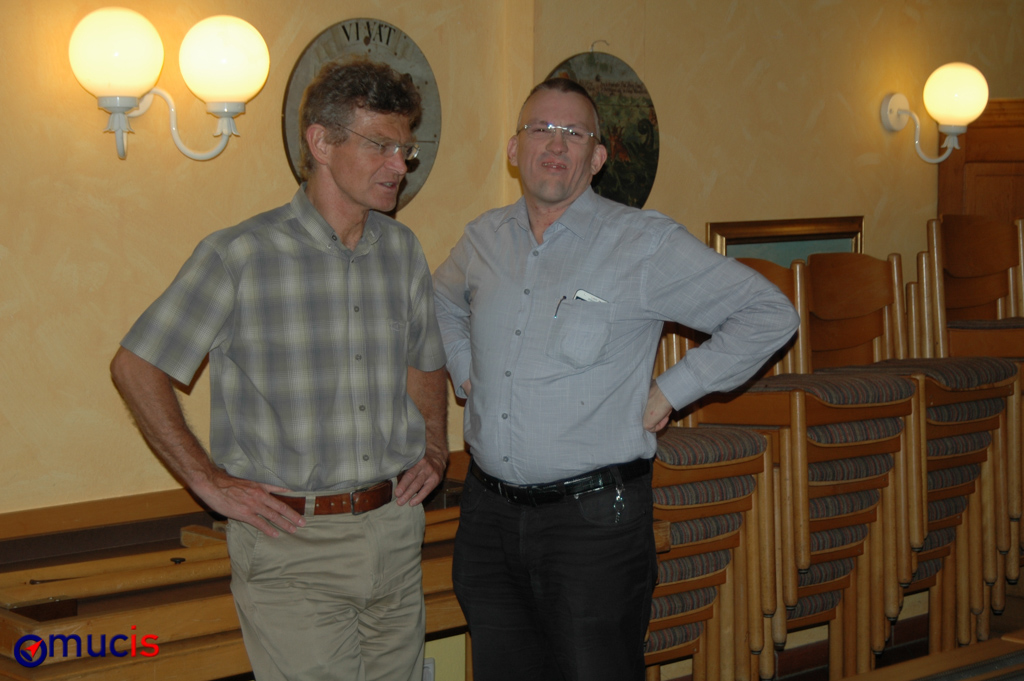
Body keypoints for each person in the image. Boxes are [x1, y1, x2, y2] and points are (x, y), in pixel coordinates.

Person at [432, 78, 800, 680]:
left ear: (597, 157)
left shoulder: (643, 243)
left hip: (593, 524)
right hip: (487, 518)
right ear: (515, 149)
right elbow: (441, 301)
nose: (556, 144)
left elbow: (769, 314)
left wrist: (672, 391)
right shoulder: (482, 240)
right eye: (540, 129)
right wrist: (465, 368)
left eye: (574, 133)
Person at [110, 59, 447, 681]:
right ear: (322, 143)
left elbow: (425, 361)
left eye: (404, 148)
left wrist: (434, 447)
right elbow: (136, 366)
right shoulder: (240, 255)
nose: (399, 165)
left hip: (396, 533)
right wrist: (207, 482)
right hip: (293, 546)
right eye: (380, 145)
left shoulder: (402, 251)